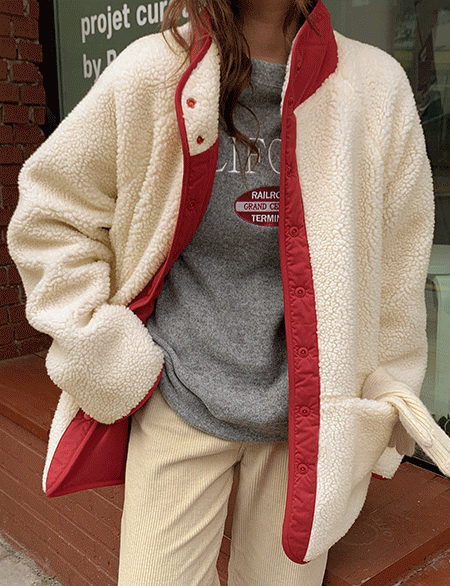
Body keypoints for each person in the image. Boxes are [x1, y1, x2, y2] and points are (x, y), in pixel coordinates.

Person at [7, 0, 450, 585]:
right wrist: (106, 351)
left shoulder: (375, 89)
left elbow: (398, 265)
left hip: (306, 422)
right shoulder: (152, 72)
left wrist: (381, 399)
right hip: (179, 395)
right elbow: (51, 213)